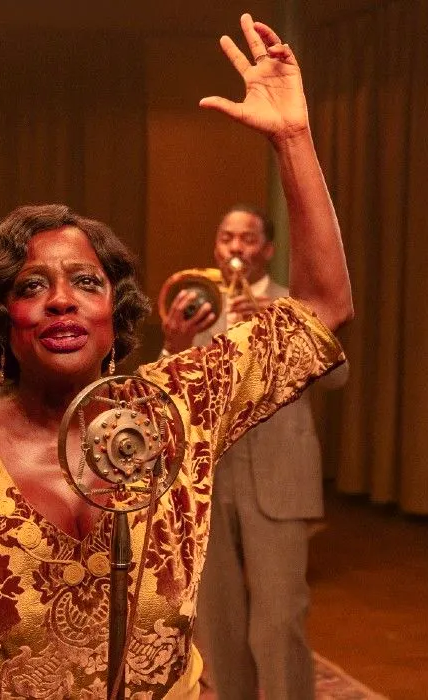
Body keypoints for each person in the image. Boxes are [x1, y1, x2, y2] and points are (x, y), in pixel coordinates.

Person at [0, 14, 353, 698]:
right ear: (2, 321)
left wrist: (293, 140)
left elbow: (322, 309)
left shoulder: (177, 411)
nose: (62, 300)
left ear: (114, 319)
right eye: (33, 286)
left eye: (86, 283)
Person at [162, 204, 348, 700]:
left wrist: (280, 327)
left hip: (280, 477)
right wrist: (174, 343)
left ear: (267, 249)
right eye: (227, 238)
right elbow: (172, 390)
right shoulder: (193, 307)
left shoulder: (294, 305)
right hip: (210, 478)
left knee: (280, 620)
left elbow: (340, 377)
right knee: (218, 622)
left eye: (247, 239)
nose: (236, 249)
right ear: (216, 246)